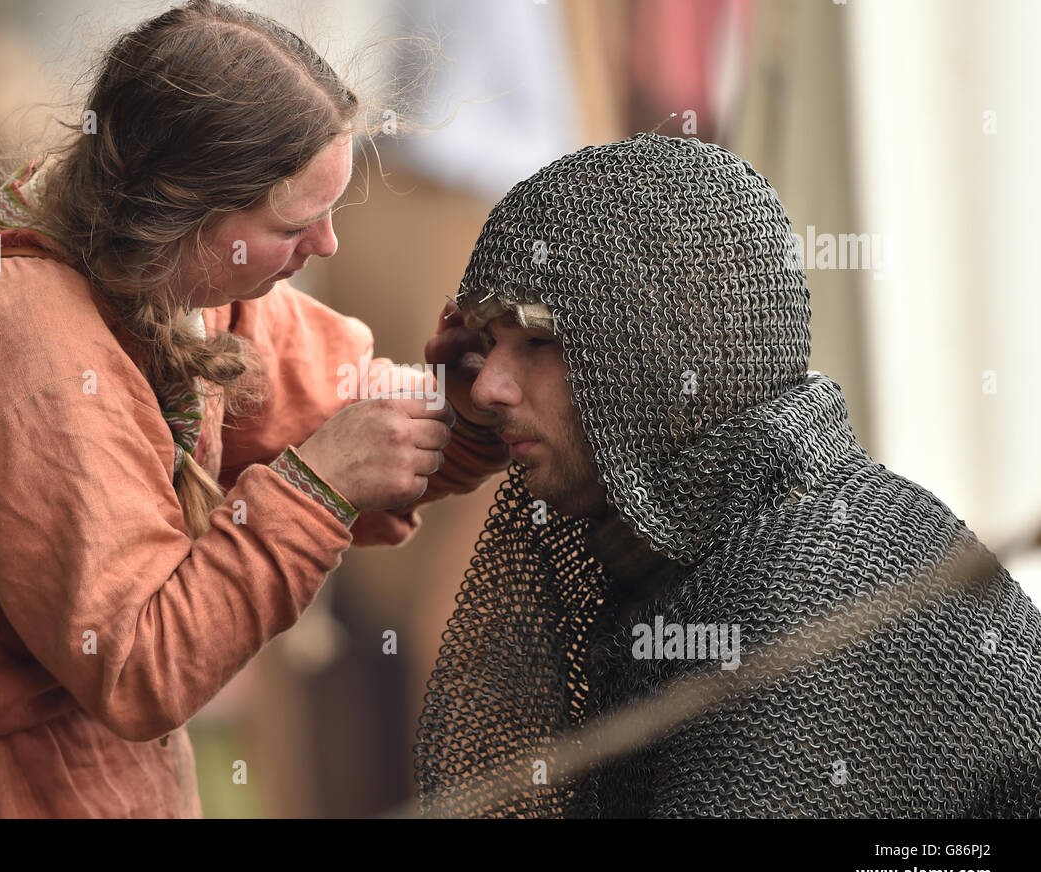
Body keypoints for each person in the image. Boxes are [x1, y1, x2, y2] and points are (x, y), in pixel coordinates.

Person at [0, 0, 510, 818]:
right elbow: (140, 661)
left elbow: (344, 406)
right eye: (295, 222)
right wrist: (321, 486)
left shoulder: (186, 287)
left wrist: (471, 402)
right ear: (185, 215)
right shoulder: (26, 355)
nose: (326, 245)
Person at [413, 133, 1041, 817]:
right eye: (486, 346)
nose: (486, 389)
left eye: (536, 342)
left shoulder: (808, 587)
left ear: (660, 350)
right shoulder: (705, 544)